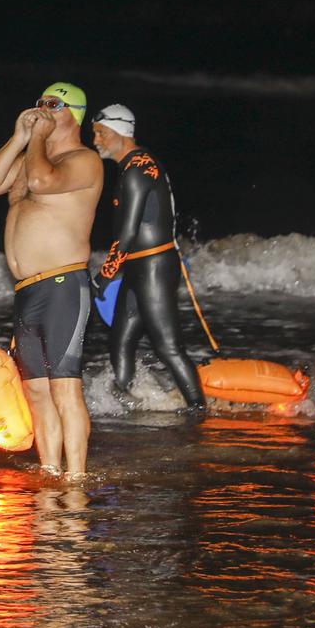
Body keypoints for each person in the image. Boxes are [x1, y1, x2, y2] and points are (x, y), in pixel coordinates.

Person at [0, 82, 103, 476]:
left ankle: (76, 476)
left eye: (52, 105)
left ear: (73, 114)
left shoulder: (84, 160)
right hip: (27, 290)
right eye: (39, 103)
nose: (42, 110)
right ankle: (49, 470)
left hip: (64, 286)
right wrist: (20, 137)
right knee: (36, 390)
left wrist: (40, 139)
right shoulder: (30, 158)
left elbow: (44, 182)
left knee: (65, 387)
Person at [90, 103, 205, 408]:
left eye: (101, 133)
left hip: (154, 266)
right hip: (139, 266)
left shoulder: (138, 169)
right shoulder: (133, 165)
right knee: (121, 339)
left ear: (119, 132)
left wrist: (104, 274)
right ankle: (126, 400)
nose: (96, 140)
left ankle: (199, 411)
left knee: (168, 347)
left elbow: (126, 234)